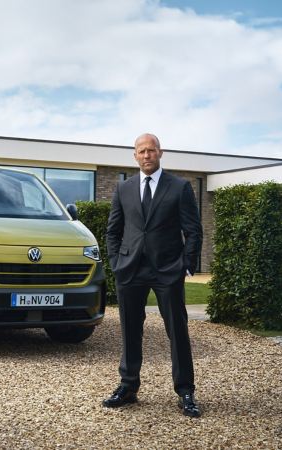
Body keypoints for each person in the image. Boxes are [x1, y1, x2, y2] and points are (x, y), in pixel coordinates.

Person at [102, 133, 203, 417]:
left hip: (167, 270)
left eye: (151, 150)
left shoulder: (180, 187)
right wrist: (116, 263)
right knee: (130, 330)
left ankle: (185, 390)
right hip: (130, 269)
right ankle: (128, 386)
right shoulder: (124, 189)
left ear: (160, 153)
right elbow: (113, 230)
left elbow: (193, 230)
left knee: (177, 331)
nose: (146, 155)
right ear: (134, 155)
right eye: (141, 151)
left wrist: (185, 264)